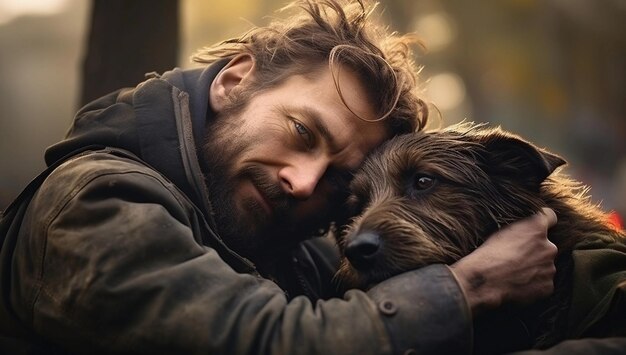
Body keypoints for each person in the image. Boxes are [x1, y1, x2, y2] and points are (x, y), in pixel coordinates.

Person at [0, 1, 563, 354]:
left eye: (339, 179)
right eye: (301, 131)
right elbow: (265, 339)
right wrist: (472, 288)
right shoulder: (93, 203)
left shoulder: (291, 247)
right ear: (234, 80)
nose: (303, 180)